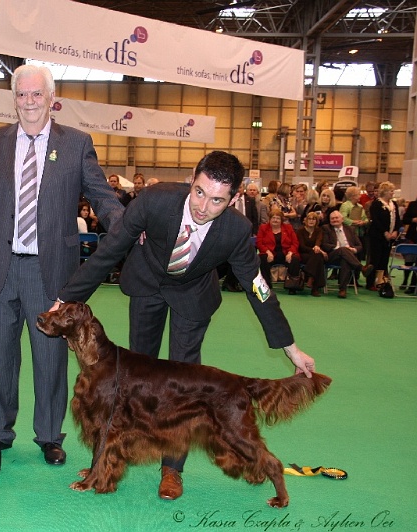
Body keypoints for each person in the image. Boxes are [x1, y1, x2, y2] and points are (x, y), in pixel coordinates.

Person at [50, 150, 316, 501]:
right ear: (193, 179)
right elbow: (110, 250)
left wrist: (290, 347)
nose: (203, 207)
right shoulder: (155, 201)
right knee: (131, 376)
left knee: (186, 382)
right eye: (200, 192)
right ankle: (107, 456)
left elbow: (257, 287)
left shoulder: (236, 231)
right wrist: (66, 298)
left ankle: (172, 470)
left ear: (234, 198)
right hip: (146, 284)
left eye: (218, 200)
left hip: (193, 296)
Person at [0, 64, 124, 466]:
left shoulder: (76, 143)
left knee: (50, 359)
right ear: (14, 99)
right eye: (22, 95)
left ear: (52, 99)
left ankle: (49, 435)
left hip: (50, 272)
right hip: (1, 267)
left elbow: (101, 194)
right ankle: (0, 430)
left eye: (37, 95)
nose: (29, 102)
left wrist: (127, 226)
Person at [321, 210, 367, 298]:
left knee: (345, 260)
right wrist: (339, 248)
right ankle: (361, 268)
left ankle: (342, 290)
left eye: (336, 218)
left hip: (348, 256)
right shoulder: (326, 228)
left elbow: (359, 246)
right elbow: (325, 244)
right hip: (332, 255)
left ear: (342, 219)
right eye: (332, 219)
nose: (334, 220)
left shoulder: (350, 229)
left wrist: (353, 250)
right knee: (343, 250)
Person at [256, 208, 302, 294]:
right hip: (270, 254)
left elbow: (295, 242)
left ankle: (292, 286)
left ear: (281, 220)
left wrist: (290, 252)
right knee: (263, 258)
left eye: (278, 218)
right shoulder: (263, 228)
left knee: (295, 259)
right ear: (270, 219)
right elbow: (259, 242)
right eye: (273, 218)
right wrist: (267, 251)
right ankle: (267, 286)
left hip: (285, 253)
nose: (275, 220)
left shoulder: (288, 228)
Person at [367, 181, 401, 289]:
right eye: (391, 191)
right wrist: (385, 232)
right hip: (377, 236)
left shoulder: (394, 204)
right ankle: (370, 282)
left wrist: (395, 231)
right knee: (375, 259)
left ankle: (380, 281)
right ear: (385, 192)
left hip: (390, 237)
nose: (392, 193)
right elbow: (376, 221)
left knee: (384, 259)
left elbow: (398, 219)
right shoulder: (376, 204)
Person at [296, 211, 327, 296]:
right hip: (303, 254)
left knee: (318, 257)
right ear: (306, 220)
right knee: (318, 257)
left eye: (314, 219)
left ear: (316, 221)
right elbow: (302, 247)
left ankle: (310, 276)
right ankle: (315, 288)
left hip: (314, 255)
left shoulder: (319, 231)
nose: (311, 221)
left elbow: (319, 241)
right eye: (309, 219)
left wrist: (317, 247)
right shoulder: (300, 231)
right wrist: (317, 250)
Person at [399, 196, 417, 294]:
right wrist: (413, 220)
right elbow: (405, 219)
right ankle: (405, 280)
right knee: (409, 262)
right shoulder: (413, 205)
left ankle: (413, 286)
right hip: (413, 237)